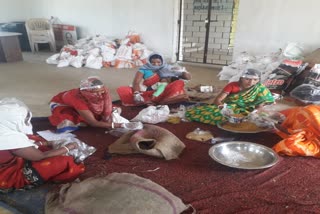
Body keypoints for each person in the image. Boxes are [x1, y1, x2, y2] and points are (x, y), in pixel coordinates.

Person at [0, 98, 85, 192]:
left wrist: (45, 143)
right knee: (64, 162)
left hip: (9, 159)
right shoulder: (10, 139)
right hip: (8, 176)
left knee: (32, 139)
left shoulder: (3, 129)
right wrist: (68, 147)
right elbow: (40, 156)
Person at [186, 69, 275, 125]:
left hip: (249, 109)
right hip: (229, 106)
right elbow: (218, 100)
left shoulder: (260, 88)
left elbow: (260, 105)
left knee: (264, 119)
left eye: (255, 80)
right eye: (247, 79)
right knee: (213, 115)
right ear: (241, 78)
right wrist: (222, 108)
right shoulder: (232, 86)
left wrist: (254, 113)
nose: (251, 82)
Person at [49, 76, 124, 133]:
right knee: (70, 120)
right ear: (87, 92)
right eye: (95, 92)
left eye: (101, 91)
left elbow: (107, 106)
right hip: (62, 104)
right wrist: (119, 125)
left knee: (115, 110)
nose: (100, 95)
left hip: (84, 103)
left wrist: (107, 117)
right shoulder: (77, 99)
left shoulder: (103, 91)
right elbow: (93, 123)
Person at [117, 53, 191, 106]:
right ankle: (161, 100)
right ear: (149, 62)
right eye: (153, 62)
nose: (156, 64)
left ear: (162, 62)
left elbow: (187, 77)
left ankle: (159, 100)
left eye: (158, 62)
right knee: (124, 90)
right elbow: (136, 82)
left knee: (179, 82)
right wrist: (136, 93)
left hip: (165, 89)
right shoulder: (144, 69)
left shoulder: (166, 68)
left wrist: (183, 70)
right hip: (150, 90)